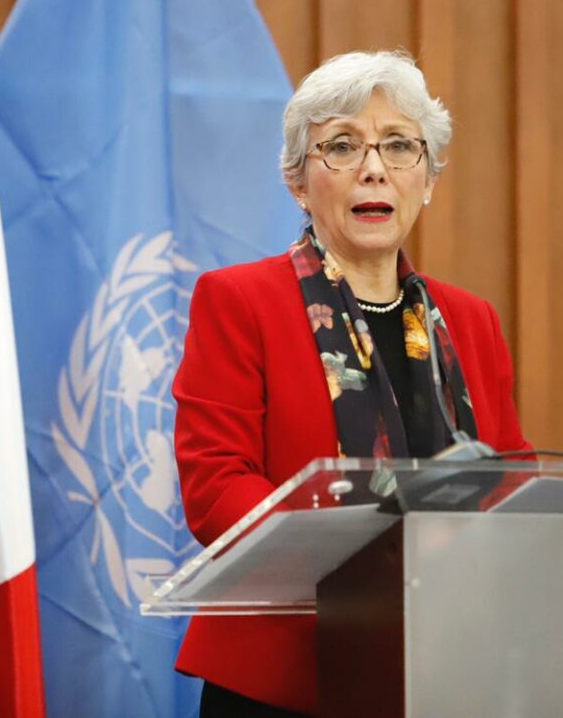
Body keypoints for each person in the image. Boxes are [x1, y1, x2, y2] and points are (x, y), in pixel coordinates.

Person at [172, 50, 528, 715]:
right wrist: (362, 556)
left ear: (427, 179)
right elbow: (216, 483)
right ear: (298, 183)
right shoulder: (239, 300)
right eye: (341, 146)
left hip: (444, 664)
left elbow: (509, 475)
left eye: (399, 145)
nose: (374, 167)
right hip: (283, 674)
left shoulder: (470, 320)